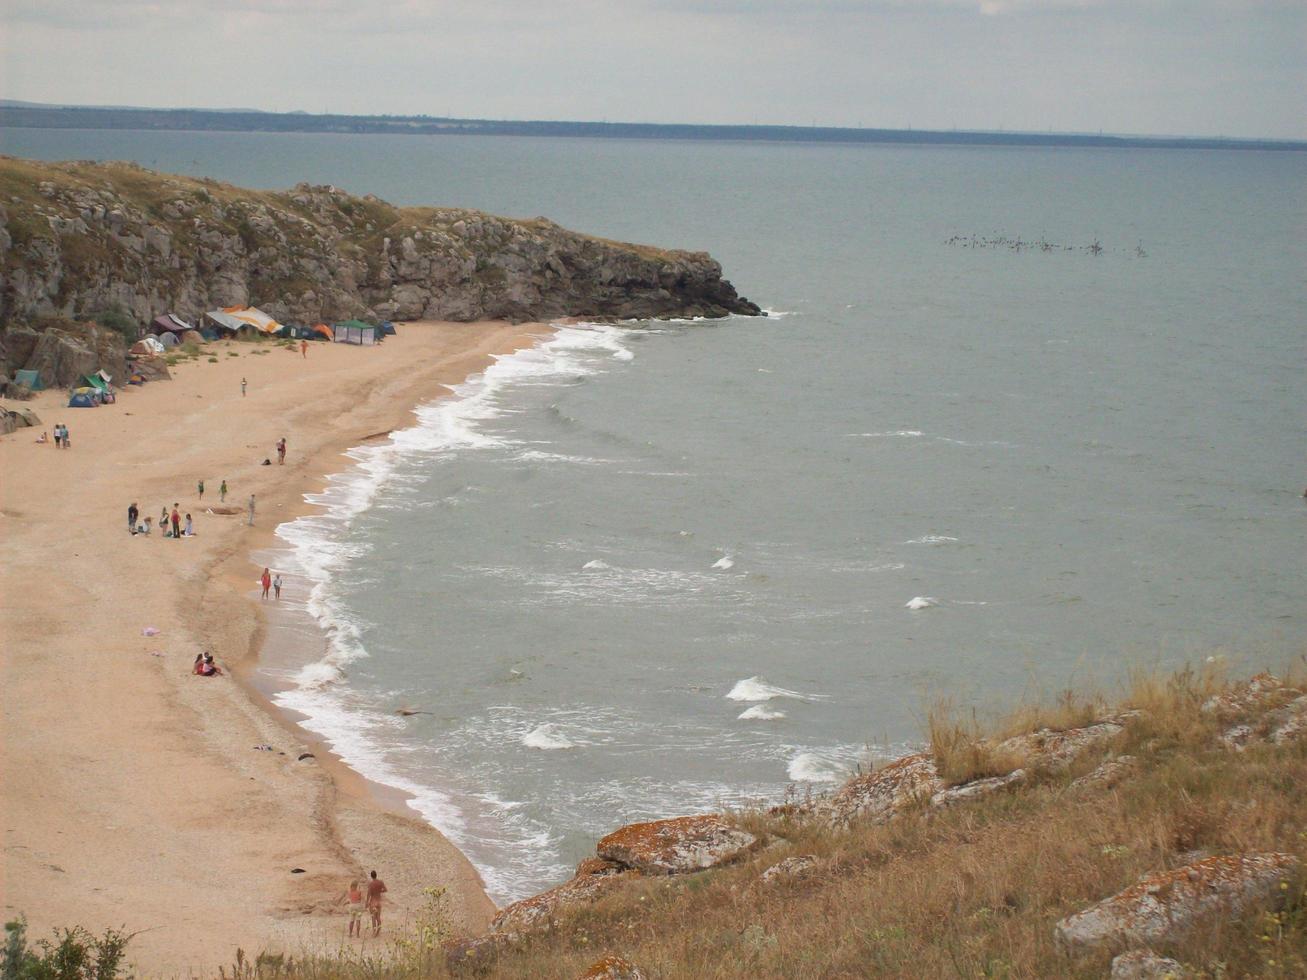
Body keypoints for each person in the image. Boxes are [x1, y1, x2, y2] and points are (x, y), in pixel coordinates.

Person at [366, 870, 387, 937]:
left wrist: (366, 902)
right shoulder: (380, 882)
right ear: (376, 875)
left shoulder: (371, 884)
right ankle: (378, 931)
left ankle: (374, 932)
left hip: (373, 902)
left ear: (371, 876)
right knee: (378, 917)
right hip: (378, 902)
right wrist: (379, 891)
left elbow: (368, 894)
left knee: (373, 918)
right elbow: (385, 890)